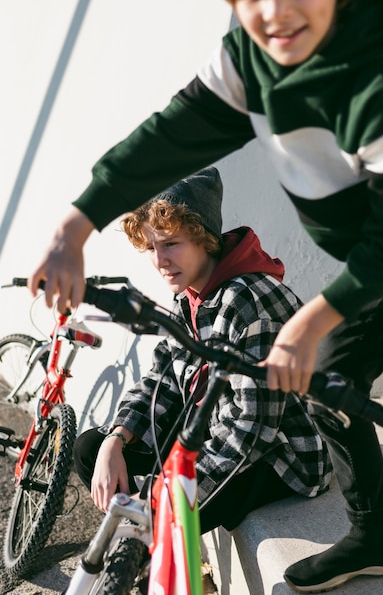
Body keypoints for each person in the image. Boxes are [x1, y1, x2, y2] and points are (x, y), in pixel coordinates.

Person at [28, 0, 383, 592]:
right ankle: (374, 533)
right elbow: (170, 135)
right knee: (333, 375)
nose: (273, 10)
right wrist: (75, 227)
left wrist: (312, 316)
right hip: (378, 250)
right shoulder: (252, 55)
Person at [73, 167, 331, 537]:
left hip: (280, 456)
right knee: (90, 449)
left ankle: (143, 551)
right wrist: (117, 437)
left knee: (157, 512)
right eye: (151, 247)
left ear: (203, 238)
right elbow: (160, 379)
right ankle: (143, 543)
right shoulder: (190, 294)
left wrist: (169, 489)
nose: (159, 260)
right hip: (213, 426)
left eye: (171, 243)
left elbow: (252, 430)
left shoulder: (247, 301)